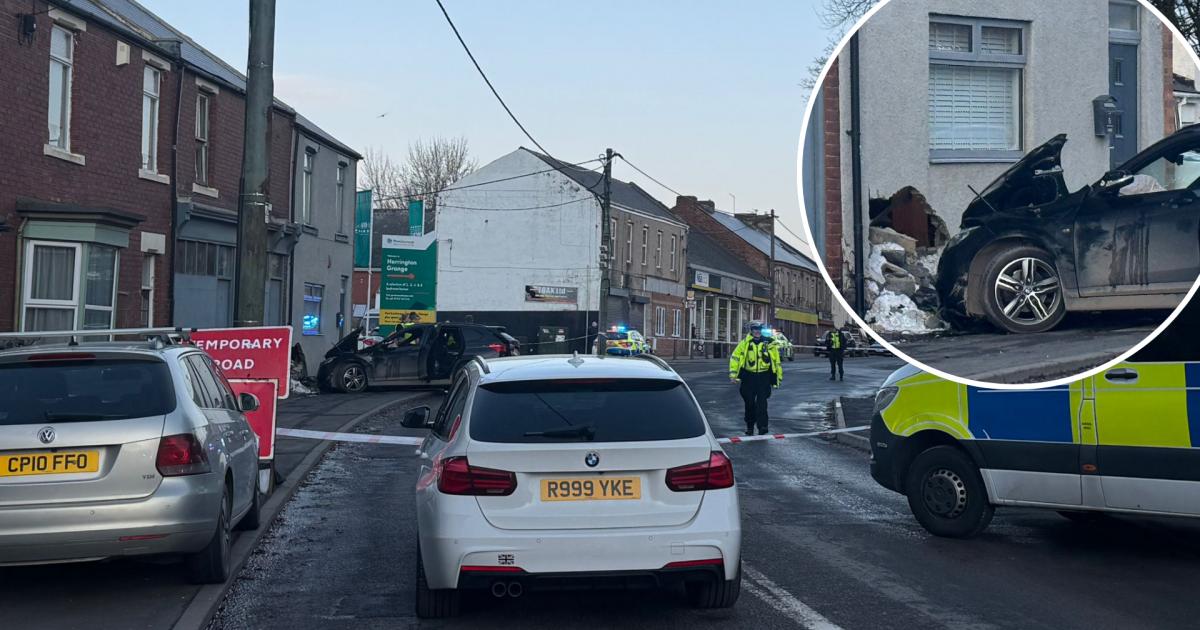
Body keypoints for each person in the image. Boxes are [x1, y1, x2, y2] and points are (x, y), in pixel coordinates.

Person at [729, 323, 783, 435]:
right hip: (749, 377)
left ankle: (762, 427)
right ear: (751, 331)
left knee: (762, 404)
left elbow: (776, 361)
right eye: (755, 329)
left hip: (763, 377)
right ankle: (750, 427)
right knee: (749, 404)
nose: (757, 331)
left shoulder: (769, 343)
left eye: (759, 329)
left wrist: (777, 378)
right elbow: (735, 358)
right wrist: (733, 375)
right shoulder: (745, 343)